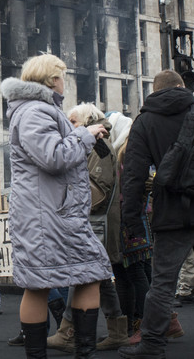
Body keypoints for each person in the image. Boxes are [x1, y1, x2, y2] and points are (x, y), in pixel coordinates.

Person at [120, 69, 194, 359]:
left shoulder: (145, 121)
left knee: (163, 281)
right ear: (181, 86)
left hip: (172, 215)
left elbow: (134, 177)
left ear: (154, 90)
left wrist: (132, 219)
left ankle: (152, 344)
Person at [0, 53, 110, 359]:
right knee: (76, 276)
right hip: (48, 216)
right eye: (63, 75)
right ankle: (80, 351)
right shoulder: (36, 111)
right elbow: (54, 157)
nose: (65, 81)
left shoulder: (36, 109)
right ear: (52, 80)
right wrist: (85, 134)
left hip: (52, 214)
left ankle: (71, 349)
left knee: (59, 279)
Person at [47, 103, 128, 353]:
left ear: (87, 122)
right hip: (94, 223)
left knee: (81, 273)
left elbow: (98, 190)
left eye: (73, 121)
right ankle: (117, 331)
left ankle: (68, 332)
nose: (68, 126)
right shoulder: (92, 143)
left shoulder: (98, 145)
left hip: (95, 223)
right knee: (98, 278)